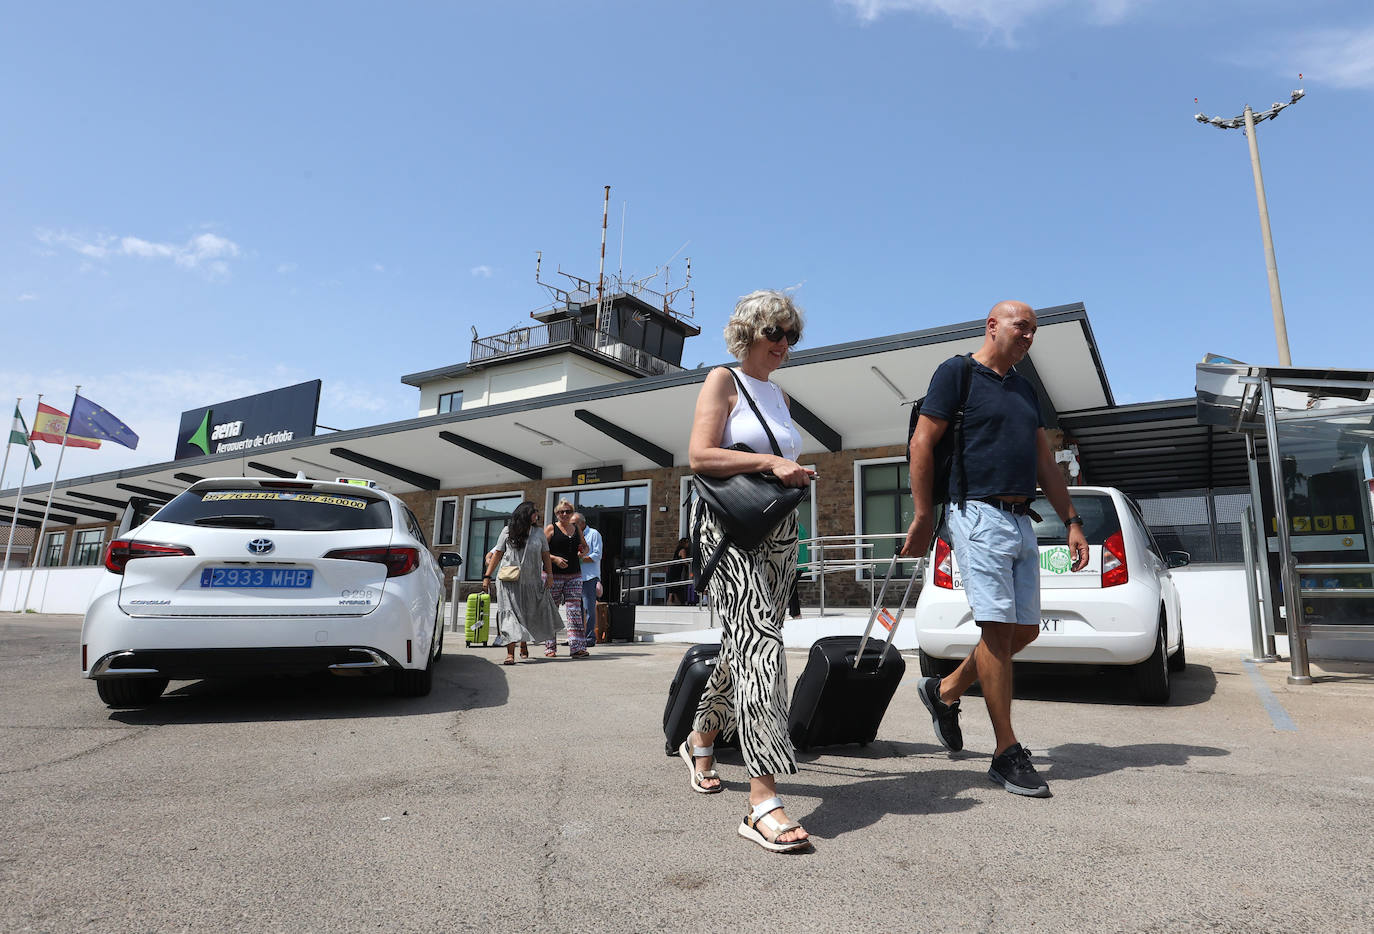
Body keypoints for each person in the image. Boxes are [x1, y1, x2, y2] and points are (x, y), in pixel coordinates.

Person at [901, 300, 1088, 798]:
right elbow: (922, 444)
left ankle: (943, 691)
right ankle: (1006, 752)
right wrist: (923, 516)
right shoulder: (957, 373)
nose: (1028, 336)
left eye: (1033, 330)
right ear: (992, 326)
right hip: (976, 513)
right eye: (1019, 326)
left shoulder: (1025, 390)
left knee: (1024, 630)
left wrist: (1071, 520)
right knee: (999, 630)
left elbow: (1045, 460)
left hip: (1022, 519)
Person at [683, 289, 815, 853]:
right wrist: (770, 461)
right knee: (760, 645)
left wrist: (795, 472)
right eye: (775, 333)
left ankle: (702, 736)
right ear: (750, 334)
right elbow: (699, 455)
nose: (785, 344)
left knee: (747, 644)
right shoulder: (723, 379)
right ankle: (763, 800)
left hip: (780, 534)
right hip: (732, 531)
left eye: (792, 335)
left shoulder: (779, 395)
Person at [481, 501, 559, 665]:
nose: (536, 515)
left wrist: (550, 575)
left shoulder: (539, 533)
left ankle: (523, 642)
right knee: (510, 615)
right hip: (509, 581)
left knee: (527, 614)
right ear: (525, 514)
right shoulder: (508, 531)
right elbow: (498, 554)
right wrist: (487, 576)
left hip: (532, 581)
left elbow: (546, 555)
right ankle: (510, 653)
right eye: (534, 512)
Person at [545, 498, 590, 658]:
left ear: (572, 513)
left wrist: (583, 552)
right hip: (553, 575)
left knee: (574, 611)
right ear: (556, 514)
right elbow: (540, 551)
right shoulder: (551, 529)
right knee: (552, 611)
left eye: (568, 511)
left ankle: (577, 647)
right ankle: (550, 647)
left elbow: (585, 546)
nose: (564, 514)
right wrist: (555, 559)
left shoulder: (576, 528)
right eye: (561, 512)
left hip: (574, 575)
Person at [574, 513, 602, 646]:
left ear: (582, 523)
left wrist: (578, 559)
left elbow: (597, 555)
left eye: (573, 523)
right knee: (575, 610)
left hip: (589, 577)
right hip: (574, 577)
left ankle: (590, 638)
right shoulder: (572, 535)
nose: (571, 526)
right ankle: (577, 638)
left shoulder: (593, 534)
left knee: (589, 609)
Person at [666, 536, 691, 606]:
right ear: (684, 543)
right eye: (687, 543)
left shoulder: (678, 549)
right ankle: (670, 601)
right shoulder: (683, 550)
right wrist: (689, 563)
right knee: (675, 583)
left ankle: (676, 601)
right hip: (676, 569)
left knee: (675, 584)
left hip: (675, 568)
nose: (688, 544)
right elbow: (684, 561)